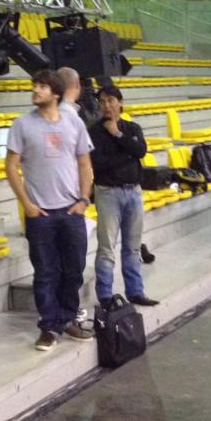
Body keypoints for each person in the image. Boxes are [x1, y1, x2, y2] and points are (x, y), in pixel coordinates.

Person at [5, 69, 95, 351]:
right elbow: (11, 167)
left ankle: (67, 318)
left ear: (56, 93)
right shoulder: (22, 125)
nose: (36, 90)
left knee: (74, 269)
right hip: (40, 214)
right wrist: (27, 204)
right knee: (45, 272)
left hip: (71, 211)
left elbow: (84, 163)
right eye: (35, 85)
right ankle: (49, 326)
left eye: (42, 86)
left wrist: (84, 199)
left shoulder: (74, 122)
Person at [88, 84, 159, 308]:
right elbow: (99, 164)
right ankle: (105, 296)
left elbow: (141, 151)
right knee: (106, 248)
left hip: (133, 191)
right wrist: (127, 153)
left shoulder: (132, 127)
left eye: (110, 100)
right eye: (102, 102)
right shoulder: (94, 132)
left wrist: (117, 135)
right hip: (107, 192)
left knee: (133, 247)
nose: (106, 105)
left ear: (120, 103)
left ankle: (135, 292)